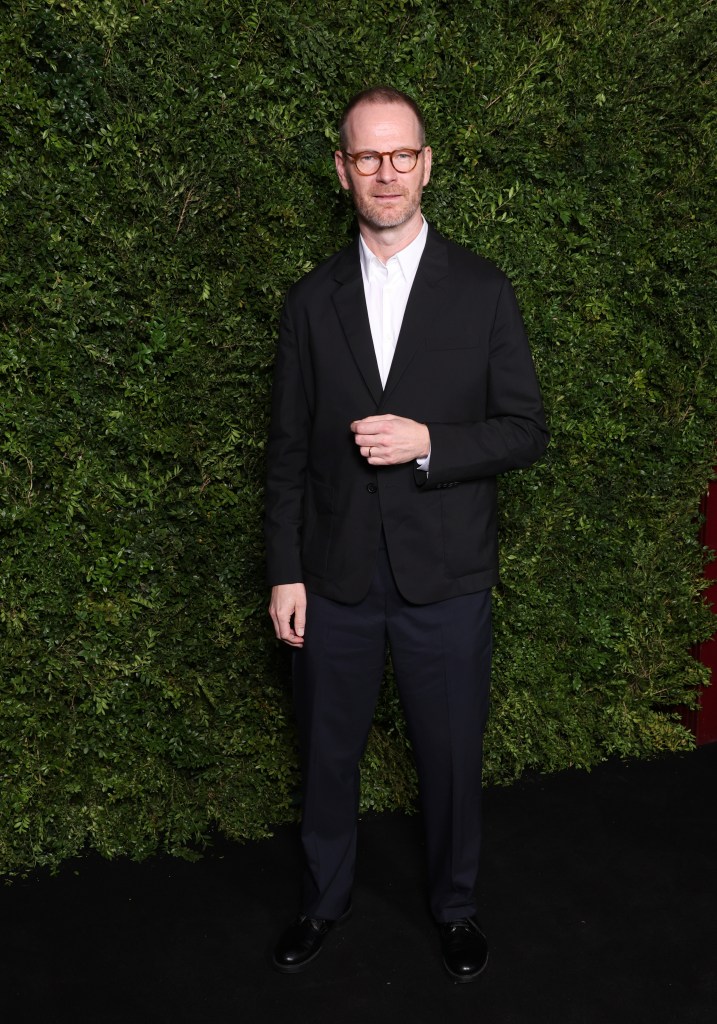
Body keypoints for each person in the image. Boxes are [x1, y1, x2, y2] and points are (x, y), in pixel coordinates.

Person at [264, 86, 548, 982]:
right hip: (334, 578)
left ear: (425, 163)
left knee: (452, 759)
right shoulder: (311, 302)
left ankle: (455, 909)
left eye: (401, 155)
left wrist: (432, 444)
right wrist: (285, 572)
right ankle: (322, 901)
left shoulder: (482, 288)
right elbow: (284, 456)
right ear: (342, 169)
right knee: (325, 757)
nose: (384, 172)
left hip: (447, 577)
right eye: (366, 156)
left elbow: (525, 430)